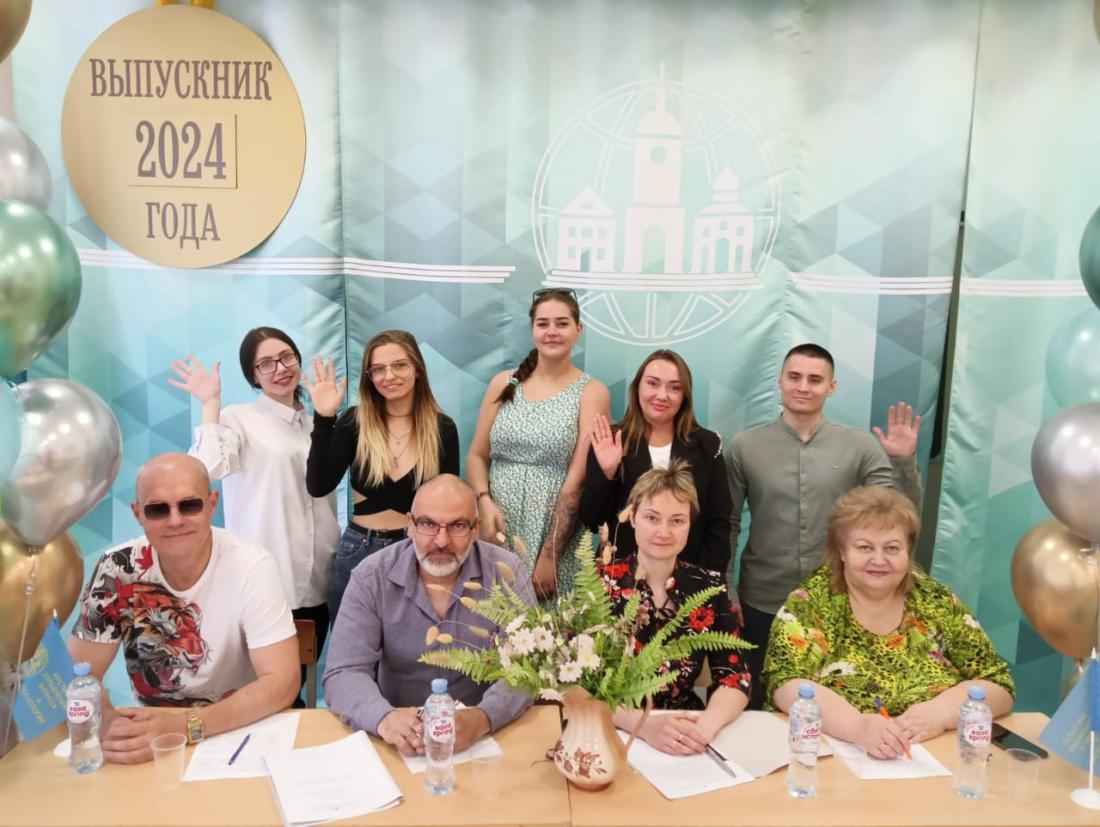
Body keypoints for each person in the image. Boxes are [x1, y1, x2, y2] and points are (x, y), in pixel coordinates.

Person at [725, 342, 922, 705]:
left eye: (815, 380)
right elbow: (728, 524)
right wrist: (728, 589)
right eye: (794, 377)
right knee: (755, 703)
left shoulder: (860, 446)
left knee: (831, 707)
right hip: (761, 601)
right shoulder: (744, 446)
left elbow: (899, 517)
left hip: (837, 601)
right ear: (780, 380)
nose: (803, 386)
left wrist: (902, 462)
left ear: (831, 387)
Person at [69, 453, 299, 764]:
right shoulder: (116, 569)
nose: (175, 520)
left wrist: (188, 726)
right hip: (153, 740)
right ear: (138, 514)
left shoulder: (252, 567)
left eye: (189, 505)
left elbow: (282, 682)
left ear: (212, 504)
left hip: (236, 733)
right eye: (157, 509)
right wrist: (108, 723)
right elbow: (77, 675)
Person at [763, 486, 1014, 759]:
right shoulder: (811, 602)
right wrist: (857, 726)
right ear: (842, 551)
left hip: (935, 760)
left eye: (892, 548)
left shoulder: (936, 601)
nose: (879, 560)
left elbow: (998, 683)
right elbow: (784, 683)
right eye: (864, 547)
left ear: (908, 551)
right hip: (836, 762)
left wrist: (940, 713)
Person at [170, 327, 341, 689]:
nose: (279, 368)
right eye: (265, 364)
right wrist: (210, 404)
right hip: (268, 579)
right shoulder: (238, 419)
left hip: (320, 577)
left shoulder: (318, 423)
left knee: (303, 686)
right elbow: (205, 469)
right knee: (268, 690)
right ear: (253, 376)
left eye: (286, 357)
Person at [323, 475, 535, 755]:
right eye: (428, 524)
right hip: (396, 744)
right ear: (410, 525)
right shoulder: (372, 576)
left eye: (457, 525)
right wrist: (383, 718)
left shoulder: (506, 573)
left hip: (486, 742)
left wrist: (483, 717)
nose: (442, 540)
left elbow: (529, 667)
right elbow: (344, 671)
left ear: (476, 528)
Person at [599, 461, 751, 756]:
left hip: (685, 733)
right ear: (633, 517)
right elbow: (575, 686)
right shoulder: (599, 582)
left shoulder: (710, 587)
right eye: (652, 518)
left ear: (690, 524)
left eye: (677, 521)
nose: (664, 532)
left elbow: (735, 677)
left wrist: (702, 730)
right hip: (612, 729)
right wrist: (643, 726)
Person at [306, 330, 459, 621]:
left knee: (416, 645)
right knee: (352, 644)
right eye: (378, 369)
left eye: (399, 365)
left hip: (418, 551)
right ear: (369, 377)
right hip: (359, 550)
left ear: (417, 369)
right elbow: (318, 485)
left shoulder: (442, 428)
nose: (389, 376)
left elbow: (450, 505)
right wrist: (324, 418)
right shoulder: (355, 422)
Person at [467, 288, 609, 599]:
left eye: (562, 323)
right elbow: (477, 455)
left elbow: (578, 479)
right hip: (496, 528)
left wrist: (550, 557)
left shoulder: (592, 392)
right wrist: (483, 501)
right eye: (543, 323)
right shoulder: (503, 383)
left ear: (578, 329)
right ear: (532, 329)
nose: (552, 331)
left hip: (553, 533)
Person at [581, 349, 730, 572]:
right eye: (652, 383)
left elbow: (718, 523)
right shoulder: (609, 440)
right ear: (637, 387)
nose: (662, 395)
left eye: (674, 387)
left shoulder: (708, 445)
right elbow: (592, 521)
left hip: (688, 578)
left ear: (685, 395)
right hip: (621, 576)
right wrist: (608, 474)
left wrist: (709, 580)